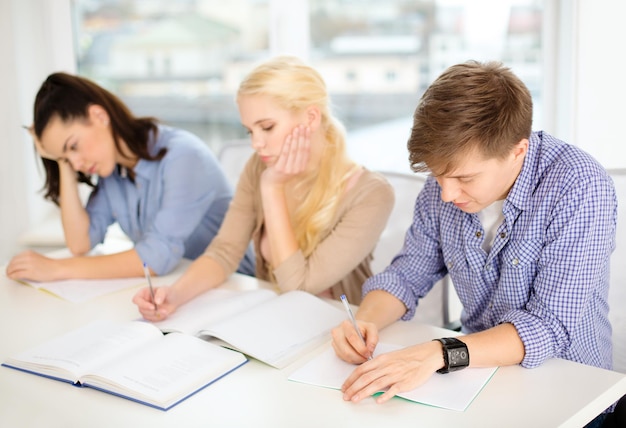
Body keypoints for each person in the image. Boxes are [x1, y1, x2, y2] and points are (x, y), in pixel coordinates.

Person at [330, 60, 618, 414]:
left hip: (571, 389)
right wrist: (366, 320)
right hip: (476, 378)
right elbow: (408, 273)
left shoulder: (580, 187)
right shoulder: (446, 183)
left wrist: (437, 353)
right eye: (438, 175)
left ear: (518, 152)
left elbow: (548, 327)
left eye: (465, 178)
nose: (447, 194)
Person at [133, 55, 394, 321]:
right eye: (250, 131)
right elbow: (224, 252)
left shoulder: (371, 193)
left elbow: (299, 286)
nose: (256, 143)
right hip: (278, 320)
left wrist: (272, 188)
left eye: (267, 127)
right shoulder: (259, 166)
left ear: (311, 117)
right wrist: (174, 296)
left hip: (340, 328)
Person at [6, 72, 254, 281]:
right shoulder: (113, 174)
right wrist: (60, 160)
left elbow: (157, 258)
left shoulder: (183, 156)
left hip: (240, 289)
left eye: (73, 146)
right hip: (180, 291)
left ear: (99, 116)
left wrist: (57, 268)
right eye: (66, 157)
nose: (76, 164)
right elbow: (80, 243)